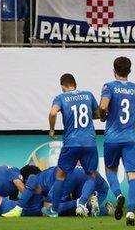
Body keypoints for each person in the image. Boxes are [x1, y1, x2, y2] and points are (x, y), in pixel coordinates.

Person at [99, 57, 135, 226]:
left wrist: (104, 116)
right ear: (129, 71)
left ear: (114, 70)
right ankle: (131, 212)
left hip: (112, 138)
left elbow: (103, 106)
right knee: (133, 176)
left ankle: (118, 195)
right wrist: (134, 115)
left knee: (110, 170)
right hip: (131, 138)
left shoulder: (108, 86)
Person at [41, 73, 100, 218]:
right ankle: (81, 203)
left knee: (60, 175)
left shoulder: (61, 98)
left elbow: (53, 113)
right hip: (89, 142)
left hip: (71, 142)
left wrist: (52, 128)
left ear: (63, 86)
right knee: (91, 175)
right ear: (75, 84)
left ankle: (54, 210)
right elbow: (98, 114)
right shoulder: (88, 95)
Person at [0, 166, 112, 218]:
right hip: (98, 184)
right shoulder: (47, 173)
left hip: (69, 176)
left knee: (48, 210)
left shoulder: (35, 179)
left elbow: (45, 203)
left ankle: (80, 203)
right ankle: (106, 209)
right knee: (83, 212)